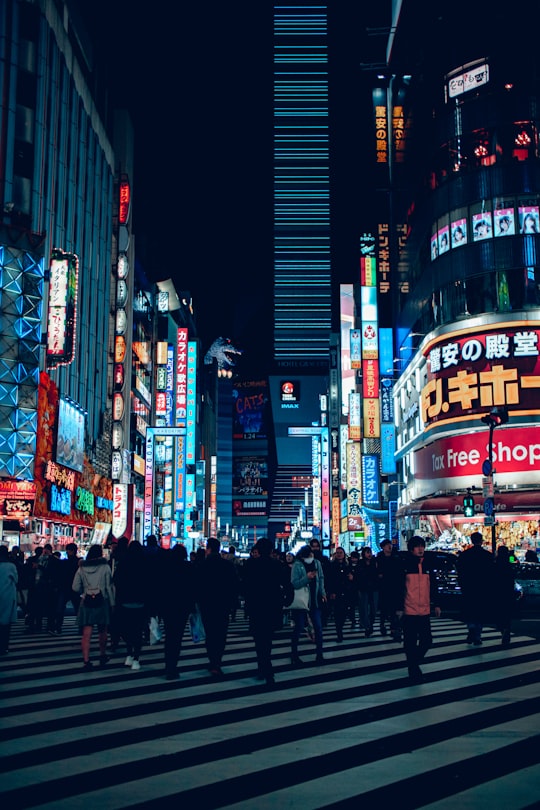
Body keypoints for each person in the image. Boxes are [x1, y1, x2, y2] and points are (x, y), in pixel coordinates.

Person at [241, 537, 291, 687]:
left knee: (259, 639)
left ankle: (263, 668)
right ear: (270, 550)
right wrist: (286, 601)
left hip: (256, 606)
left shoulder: (250, 565)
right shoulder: (276, 565)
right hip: (272, 606)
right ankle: (266, 668)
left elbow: (244, 586)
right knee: (267, 639)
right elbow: (287, 584)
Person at [396, 535, 441, 683]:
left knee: (427, 641)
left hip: (424, 610)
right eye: (417, 546)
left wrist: (437, 604)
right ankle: (413, 668)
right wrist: (399, 607)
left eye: (422, 546)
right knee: (410, 642)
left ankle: (413, 663)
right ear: (411, 549)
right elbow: (398, 588)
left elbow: (433, 586)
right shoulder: (405, 565)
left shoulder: (427, 565)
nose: (421, 549)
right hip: (409, 610)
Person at [196, 536, 239, 677]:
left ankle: (212, 661)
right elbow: (234, 585)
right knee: (221, 634)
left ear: (208, 549)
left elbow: (196, 586)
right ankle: (217, 662)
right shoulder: (227, 565)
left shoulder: (202, 565)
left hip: (207, 604)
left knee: (210, 633)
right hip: (223, 604)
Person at [72, 544, 115, 671]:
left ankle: (86, 660)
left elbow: (75, 587)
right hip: (102, 600)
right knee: (103, 631)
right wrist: (112, 603)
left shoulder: (81, 568)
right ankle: (102, 655)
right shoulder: (105, 567)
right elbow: (109, 587)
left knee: (86, 633)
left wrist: (84, 592)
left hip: (87, 601)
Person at [158, 543, 196, 680]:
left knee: (169, 636)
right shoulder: (188, 568)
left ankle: (168, 666)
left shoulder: (166, 568)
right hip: (182, 607)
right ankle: (173, 667)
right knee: (177, 637)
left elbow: (160, 587)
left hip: (168, 606)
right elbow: (192, 588)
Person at [113, 540, 148, 671]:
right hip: (140, 601)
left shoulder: (124, 563)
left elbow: (116, 579)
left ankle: (129, 654)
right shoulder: (145, 564)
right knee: (138, 630)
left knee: (127, 628)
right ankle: (136, 659)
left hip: (125, 600)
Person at [290, 544, 326, 665]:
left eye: (312, 554)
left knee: (318, 627)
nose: (311, 557)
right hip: (301, 601)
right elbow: (294, 583)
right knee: (299, 627)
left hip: (315, 600)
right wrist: (306, 578)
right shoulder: (297, 565)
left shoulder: (317, 563)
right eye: (309, 555)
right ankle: (294, 654)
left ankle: (319, 654)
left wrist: (323, 593)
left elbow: (321, 578)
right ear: (303, 556)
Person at [456, 531, 494, 646]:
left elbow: (460, 572)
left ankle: (471, 628)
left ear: (471, 541)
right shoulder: (487, 556)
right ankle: (477, 634)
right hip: (482, 588)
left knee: (470, 610)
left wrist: (462, 585)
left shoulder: (464, 555)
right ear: (481, 541)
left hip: (469, 587)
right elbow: (491, 573)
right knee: (480, 611)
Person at [48, 541, 80, 635]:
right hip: (73, 587)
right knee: (76, 608)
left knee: (60, 608)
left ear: (72, 551)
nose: (67, 552)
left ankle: (58, 627)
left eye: (68, 551)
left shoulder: (68, 562)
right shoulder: (77, 562)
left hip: (66, 587)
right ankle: (80, 627)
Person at [376, 539, 404, 641]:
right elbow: (377, 572)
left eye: (390, 545)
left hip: (394, 586)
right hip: (383, 587)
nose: (389, 547)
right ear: (383, 547)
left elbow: (400, 570)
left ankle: (393, 628)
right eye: (387, 545)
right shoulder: (379, 557)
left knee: (393, 609)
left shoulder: (396, 556)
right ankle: (382, 624)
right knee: (384, 608)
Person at [326, 547, 352, 642]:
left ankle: (340, 628)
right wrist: (331, 592)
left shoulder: (347, 565)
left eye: (341, 552)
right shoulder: (332, 565)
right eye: (337, 553)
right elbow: (329, 580)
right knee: (337, 613)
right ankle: (339, 633)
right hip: (336, 592)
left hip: (346, 592)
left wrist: (351, 578)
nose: (339, 554)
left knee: (344, 613)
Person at [493, 546, 516, 648]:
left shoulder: (495, 563)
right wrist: (511, 555)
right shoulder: (509, 562)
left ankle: (503, 630)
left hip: (498, 591)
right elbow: (515, 563)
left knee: (498, 614)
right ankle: (506, 629)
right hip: (508, 592)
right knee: (507, 613)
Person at [354, 546, 379, 637]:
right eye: (367, 552)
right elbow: (357, 577)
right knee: (363, 609)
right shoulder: (360, 564)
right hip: (363, 589)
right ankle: (367, 626)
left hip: (374, 589)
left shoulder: (375, 563)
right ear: (364, 554)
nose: (369, 554)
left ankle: (370, 623)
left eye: (370, 552)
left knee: (374, 609)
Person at [0, 545, 18, 655]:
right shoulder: (11, 566)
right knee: (5, 624)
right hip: (7, 595)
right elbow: (16, 580)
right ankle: (3, 647)